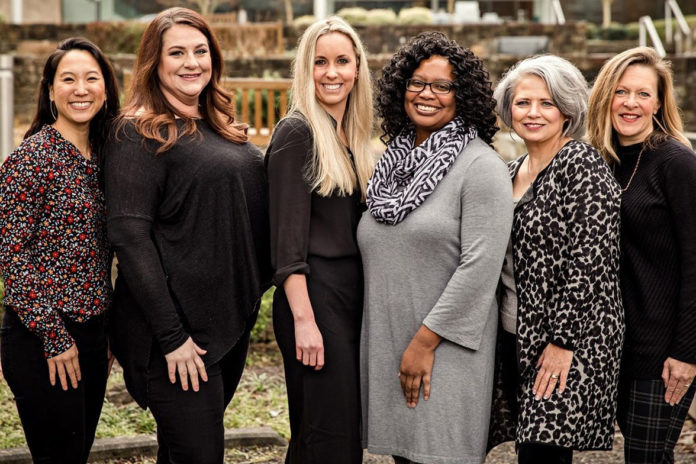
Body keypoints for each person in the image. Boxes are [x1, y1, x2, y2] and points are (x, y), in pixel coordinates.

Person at [103, 8, 270, 464]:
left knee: (181, 454)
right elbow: (128, 236)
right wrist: (172, 336)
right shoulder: (136, 133)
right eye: (176, 52)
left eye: (200, 51)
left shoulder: (219, 125)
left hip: (222, 331)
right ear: (154, 63)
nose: (191, 62)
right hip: (171, 341)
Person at [358, 32, 512, 464]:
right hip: (391, 341)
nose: (427, 94)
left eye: (443, 86)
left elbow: (479, 268)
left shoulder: (480, 167)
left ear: (463, 96)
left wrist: (424, 343)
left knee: (440, 455)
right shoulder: (392, 163)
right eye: (417, 82)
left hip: (444, 350)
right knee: (405, 457)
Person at [489, 55, 624, 464]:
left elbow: (591, 261)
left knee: (541, 454)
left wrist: (561, 342)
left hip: (567, 342)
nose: (533, 112)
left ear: (567, 111)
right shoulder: (509, 171)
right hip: (515, 335)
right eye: (523, 102)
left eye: (547, 103)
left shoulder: (581, 164)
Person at [0, 37, 119, 463]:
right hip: (41, 337)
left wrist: (107, 331)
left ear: (106, 88)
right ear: (50, 90)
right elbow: (11, 257)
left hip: (92, 332)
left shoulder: (109, 158)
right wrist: (54, 337)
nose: (81, 89)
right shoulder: (30, 159)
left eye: (91, 78)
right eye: (68, 79)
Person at [265, 16, 374, 464]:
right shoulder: (298, 133)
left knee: (333, 436)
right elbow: (287, 245)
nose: (332, 72)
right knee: (327, 439)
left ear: (357, 69)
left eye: (342, 61)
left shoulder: (353, 137)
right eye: (320, 61)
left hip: (348, 303)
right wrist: (305, 322)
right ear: (305, 70)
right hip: (314, 303)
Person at [587, 46, 696, 464]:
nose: (631, 103)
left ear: (658, 103)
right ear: (604, 97)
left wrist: (687, 352)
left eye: (643, 94)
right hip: (616, 345)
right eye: (620, 91)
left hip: (663, 351)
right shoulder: (600, 161)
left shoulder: (676, 163)